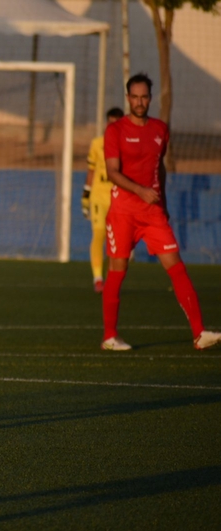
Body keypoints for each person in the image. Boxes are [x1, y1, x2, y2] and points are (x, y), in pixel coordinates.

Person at [101, 72, 220, 351]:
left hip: (153, 213)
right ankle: (110, 336)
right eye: (135, 97)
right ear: (128, 98)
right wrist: (140, 190)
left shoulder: (160, 129)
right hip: (123, 213)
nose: (140, 102)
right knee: (118, 271)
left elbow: (160, 167)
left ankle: (199, 333)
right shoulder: (115, 131)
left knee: (177, 267)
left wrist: (161, 203)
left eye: (144, 97)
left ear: (150, 99)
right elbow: (112, 172)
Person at [82, 106, 125, 293]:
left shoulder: (127, 145)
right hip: (99, 198)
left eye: (116, 123)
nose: (112, 126)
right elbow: (91, 171)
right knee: (99, 235)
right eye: (110, 122)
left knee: (116, 242)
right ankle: (98, 279)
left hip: (118, 199)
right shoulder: (97, 143)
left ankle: (112, 280)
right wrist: (86, 196)